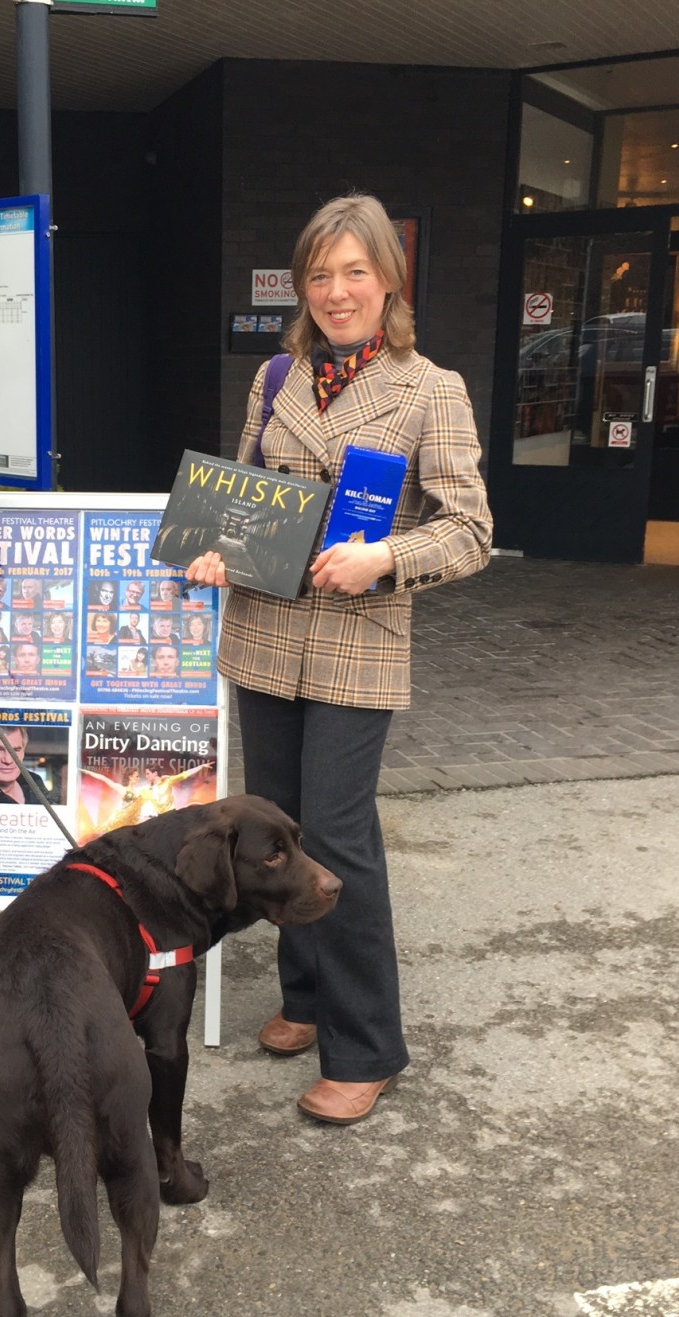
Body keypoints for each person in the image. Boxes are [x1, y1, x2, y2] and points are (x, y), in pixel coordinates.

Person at [186, 193, 492, 1126]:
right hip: (267, 635)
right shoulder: (278, 375)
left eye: (355, 271)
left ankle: (366, 1045)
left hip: (360, 642)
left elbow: (472, 529)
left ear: (389, 280)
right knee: (277, 828)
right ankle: (306, 996)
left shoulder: (429, 387)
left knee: (343, 833)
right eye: (320, 274)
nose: (337, 290)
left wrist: (387, 556)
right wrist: (214, 546)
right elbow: (242, 494)